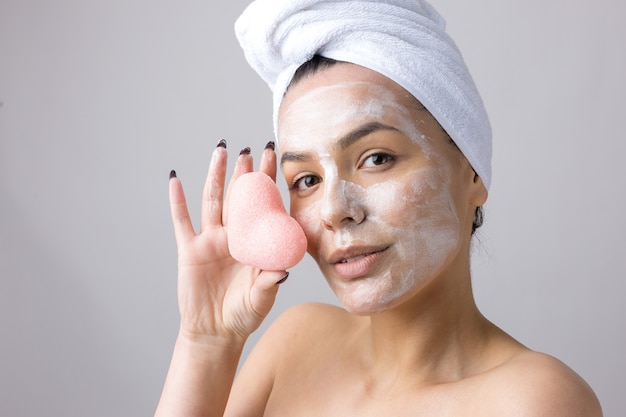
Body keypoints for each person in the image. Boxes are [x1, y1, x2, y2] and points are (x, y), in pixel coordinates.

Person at [155, 1, 602, 415]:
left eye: (377, 159)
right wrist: (206, 342)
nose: (334, 210)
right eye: (306, 180)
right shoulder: (294, 343)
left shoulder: (532, 399)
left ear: (472, 172)